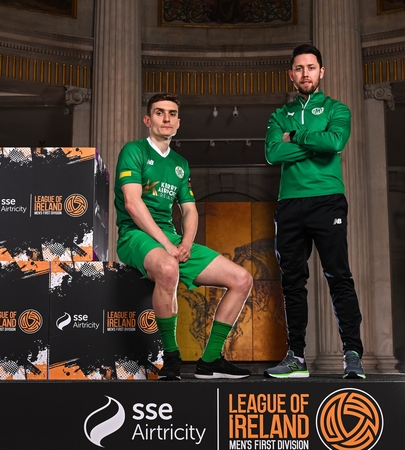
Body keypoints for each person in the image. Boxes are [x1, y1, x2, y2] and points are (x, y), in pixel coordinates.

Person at [115, 92, 253, 380]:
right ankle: (172, 357)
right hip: (135, 235)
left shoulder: (180, 163)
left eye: (172, 113)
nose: (166, 118)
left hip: (172, 238)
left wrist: (186, 243)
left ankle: (211, 360)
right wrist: (167, 245)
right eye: (159, 112)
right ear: (147, 119)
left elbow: (189, 210)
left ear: (178, 122)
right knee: (168, 267)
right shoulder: (134, 151)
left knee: (242, 279)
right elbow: (133, 204)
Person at [263, 44, 366, 379]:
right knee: (293, 281)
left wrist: (297, 137)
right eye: (298, 68)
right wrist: (311, 142)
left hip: (327, 200)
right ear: (291, 74)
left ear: (321, 72)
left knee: (339, 276)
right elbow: (274, 153)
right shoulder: (280, 115)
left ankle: (352, 353)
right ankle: (296, 357)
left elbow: (334, 143)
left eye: (310, 67)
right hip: (290, 204)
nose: (304, 73)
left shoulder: (338, 109)